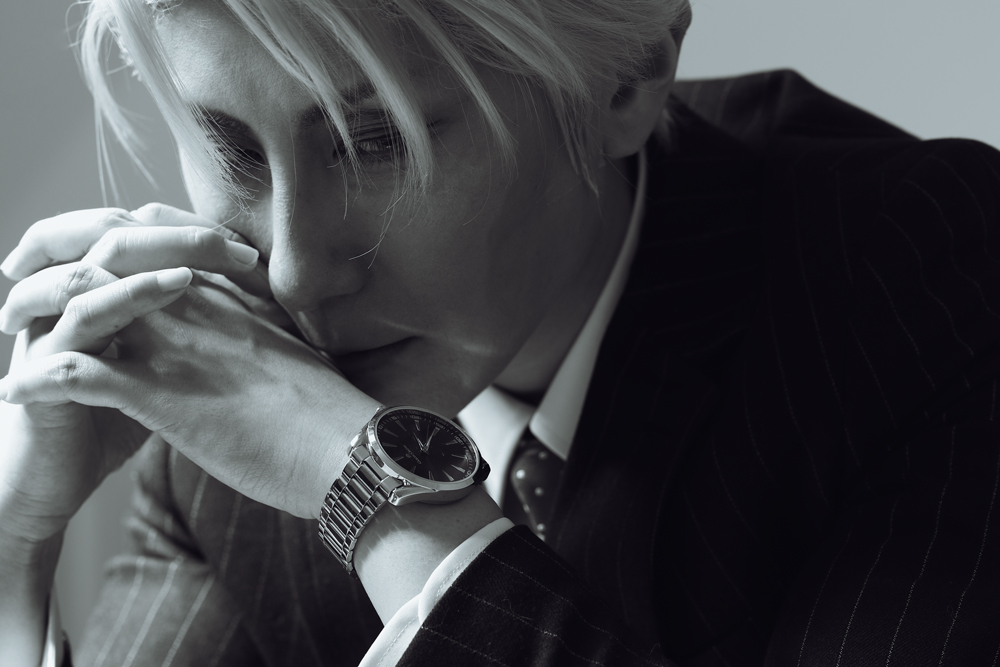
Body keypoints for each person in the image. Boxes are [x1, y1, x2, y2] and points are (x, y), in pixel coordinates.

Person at [2, 0, 999, 665]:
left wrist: (374, 489)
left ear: (624, 80)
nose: (295, 271)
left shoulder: (930, 278)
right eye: (233, 152)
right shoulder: (230, 376)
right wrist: (14, 550)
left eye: (375, 143)